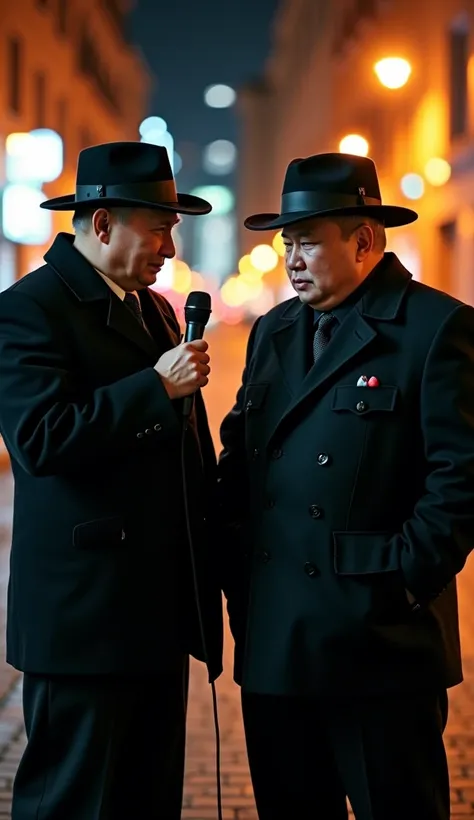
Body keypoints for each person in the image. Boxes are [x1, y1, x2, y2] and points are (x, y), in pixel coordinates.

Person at [218, 152, 474, 820]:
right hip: (276, 639)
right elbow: (242, 460)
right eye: (286, 243)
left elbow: (461, 478)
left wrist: (401, 580)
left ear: (362, 241)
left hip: (378, 643)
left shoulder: (435, 328)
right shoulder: (273, 332)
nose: (292, 259)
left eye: (307, 241)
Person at [0, 141, 223, 820]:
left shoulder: (151, 307)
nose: (168, 243)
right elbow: (41, 440)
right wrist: (153, 386)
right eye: (158, 226)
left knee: (146, 798)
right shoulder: (29, 309)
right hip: (85, 623)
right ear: (102, 224)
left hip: (154, 611)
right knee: (73, 801)